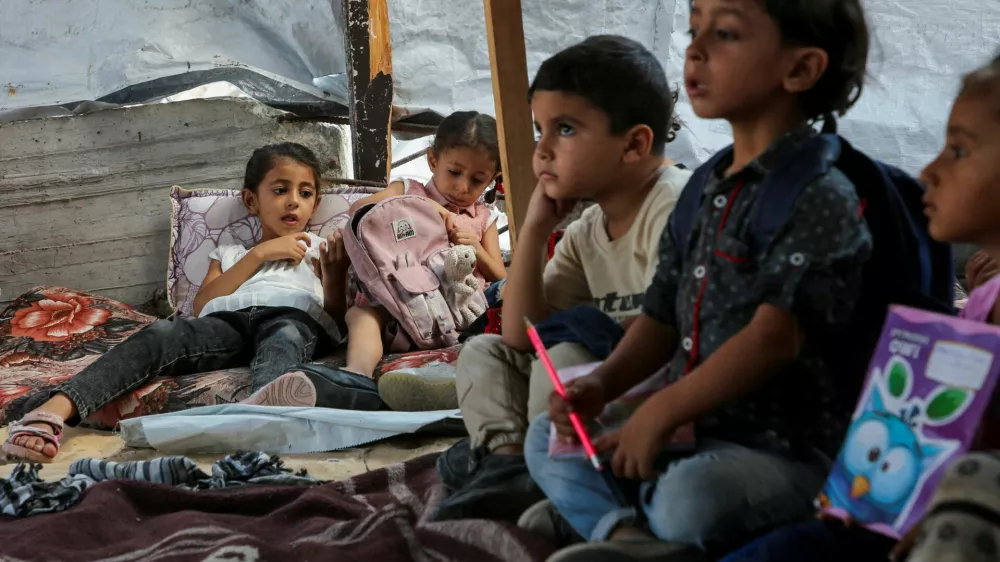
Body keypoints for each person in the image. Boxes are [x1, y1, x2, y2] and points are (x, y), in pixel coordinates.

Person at [524, 1, 874, 559]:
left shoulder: (817, 195)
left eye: (725, 32)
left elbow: (773, 339)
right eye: (694, 29)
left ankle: (615, 515)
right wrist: (604, 384)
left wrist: (661, 412)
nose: (695, 49)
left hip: (779, 448)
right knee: (547, 435)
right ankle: (626, 536)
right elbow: (661, 313)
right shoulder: (711, 186)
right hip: (692, 429)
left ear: (801, 69)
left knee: (689, 500)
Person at [721, 52, 1000, 562]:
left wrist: (952, 500)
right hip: (895, 515)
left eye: (959, 150)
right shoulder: (982, 301)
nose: (929, 171)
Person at [432, 35, 692, 522]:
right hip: (588, 400)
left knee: (565, 352)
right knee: (484, 351)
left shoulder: (676, 204)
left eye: (565, 129)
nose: (543, 149)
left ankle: (555, 481)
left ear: (634, 144)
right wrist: (533, 231)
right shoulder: (589, 228)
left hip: (656, 398)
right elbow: (519, 335)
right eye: (541, 130)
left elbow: (673, 337)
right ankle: (511, 466)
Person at [2, 142, 350, 464]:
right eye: (280, 190)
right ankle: (52, 411)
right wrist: (259, 255)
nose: (293, 201)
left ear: (315, 203)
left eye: (305, 193)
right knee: (160, 335)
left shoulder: (321, 249)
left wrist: (333, 276)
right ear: (251, 201)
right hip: (228, 323)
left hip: (291, 319)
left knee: (284, 342)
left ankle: (264, 428)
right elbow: (203, 305)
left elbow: (333, 323)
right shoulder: (231, 253)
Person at [342, 111, 507, 411]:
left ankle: (461, 372)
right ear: (432, 160)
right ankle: (356, 379)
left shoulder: (485, 217)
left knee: (512, 292)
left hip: (465, 311)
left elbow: (498, 273)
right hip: (402, 303)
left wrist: (475, 247)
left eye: (477, 180)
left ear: (493, 179)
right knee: (362, 315)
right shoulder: (407, 190)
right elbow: (359, 209)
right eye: (454, 172)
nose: (462, 187)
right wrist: (426, 206)